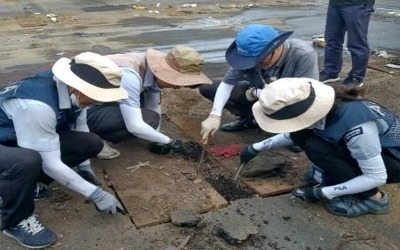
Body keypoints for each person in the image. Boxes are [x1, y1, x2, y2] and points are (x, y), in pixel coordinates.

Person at [0, 52, 127, 248]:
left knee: (91, 142)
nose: (100, 102)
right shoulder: (38, 105)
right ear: (78, 87)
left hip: (18, 136)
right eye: (98, 96)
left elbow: (81, 129)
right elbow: (51, 164)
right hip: (6, 142)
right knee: (25, 161)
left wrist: (85, 169)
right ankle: (16, 220)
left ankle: (28, 184)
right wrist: (96, 194)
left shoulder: (71, 91)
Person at [239, 77, 400, 218]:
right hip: (373, 152)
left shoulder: (358, 128)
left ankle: (374, 199)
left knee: (316, 147)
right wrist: (256, 147)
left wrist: (324, 192)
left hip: (393, 161)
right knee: (302, 136)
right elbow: (294, 133)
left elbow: (376, 176)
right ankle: (337, 175)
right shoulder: (321, 106)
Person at [199, 24, 319, 142]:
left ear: (277, 48)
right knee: (208, 87)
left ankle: (291, 132)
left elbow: (306, 96)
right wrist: (215, 115)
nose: (255, 64)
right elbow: (227, 85)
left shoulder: (302, 54)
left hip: (291, 102)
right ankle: (251, 118)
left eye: (260, 60)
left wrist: (257, 93)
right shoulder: (248, 53)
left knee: (295, 136)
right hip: (260, 96)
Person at [86, 45, 212, 157]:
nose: (177, 87)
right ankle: (92, 139)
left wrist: (155, 140)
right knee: (147, 120)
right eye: (177, 81)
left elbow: (153, 104)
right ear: (165, 72)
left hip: (102, 99)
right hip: (79, 112)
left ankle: (102, 128)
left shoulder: (151, 68)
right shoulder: (129, 76)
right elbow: (135, 125)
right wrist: (169, 141)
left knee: (150, 117)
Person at [319, 0, 375, 87]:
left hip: (357, 4)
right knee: (332, 40)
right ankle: (330, 71)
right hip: (335, 3)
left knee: (356, 42)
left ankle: (356, 77)